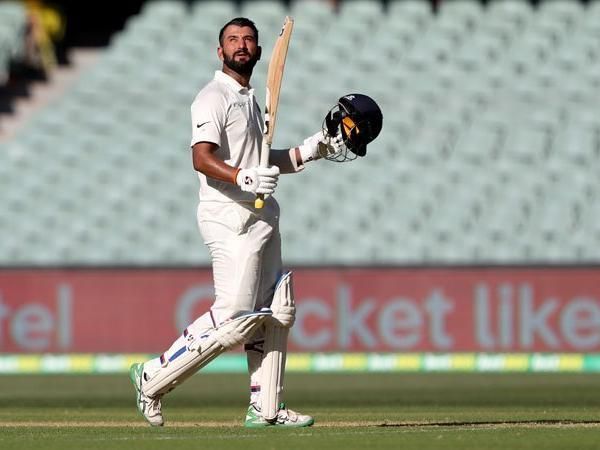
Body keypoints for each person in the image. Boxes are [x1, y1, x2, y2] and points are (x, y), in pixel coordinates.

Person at [129, 17, 340, 428]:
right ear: (219, 50)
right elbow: (202, 158)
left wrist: (311, 149)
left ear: (259, 51)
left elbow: (263, 161)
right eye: (232, 40)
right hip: (228, 216)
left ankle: (266, 408)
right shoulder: (212, 97)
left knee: (278, 309)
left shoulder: (249, 99)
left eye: (248, 40)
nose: (241, 45)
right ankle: (152, 377)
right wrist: (242, 177)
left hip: (261, 215)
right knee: (235, 316)